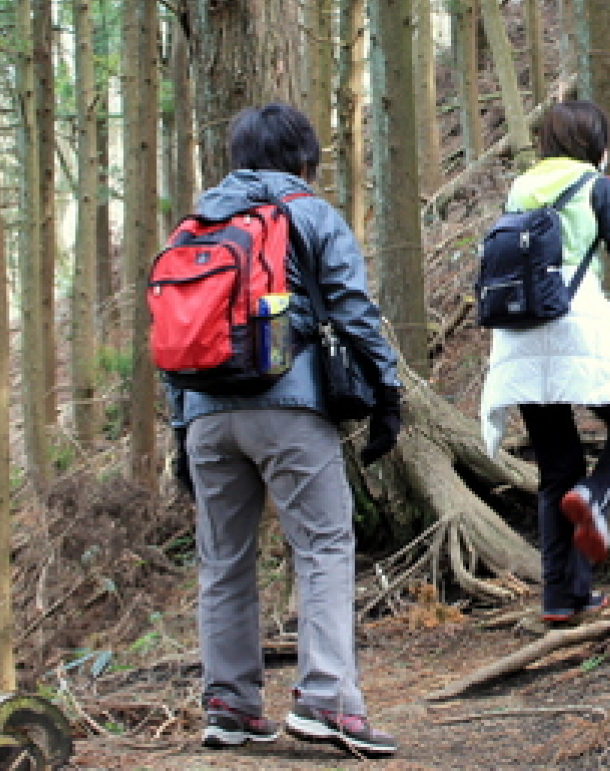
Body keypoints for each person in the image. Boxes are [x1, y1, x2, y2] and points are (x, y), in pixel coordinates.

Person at [168, 103, 405, 759]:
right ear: (305, 160)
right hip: (288, 403)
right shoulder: (312, 214)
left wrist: (178, 427)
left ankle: (230, 705)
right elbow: (354, 311)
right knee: (325, 545)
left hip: (205, 414)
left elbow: (171, 333)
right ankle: (326, 698)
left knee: (222, 559)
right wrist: (387, 392)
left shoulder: (195, 225)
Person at [479, 100, 610, 625]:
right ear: (594, 143)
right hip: (578, 326)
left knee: (555, 465)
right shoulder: (599, 187)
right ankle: (595, 496)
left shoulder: (521, 186)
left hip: (519, 337)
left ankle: (561, 595)